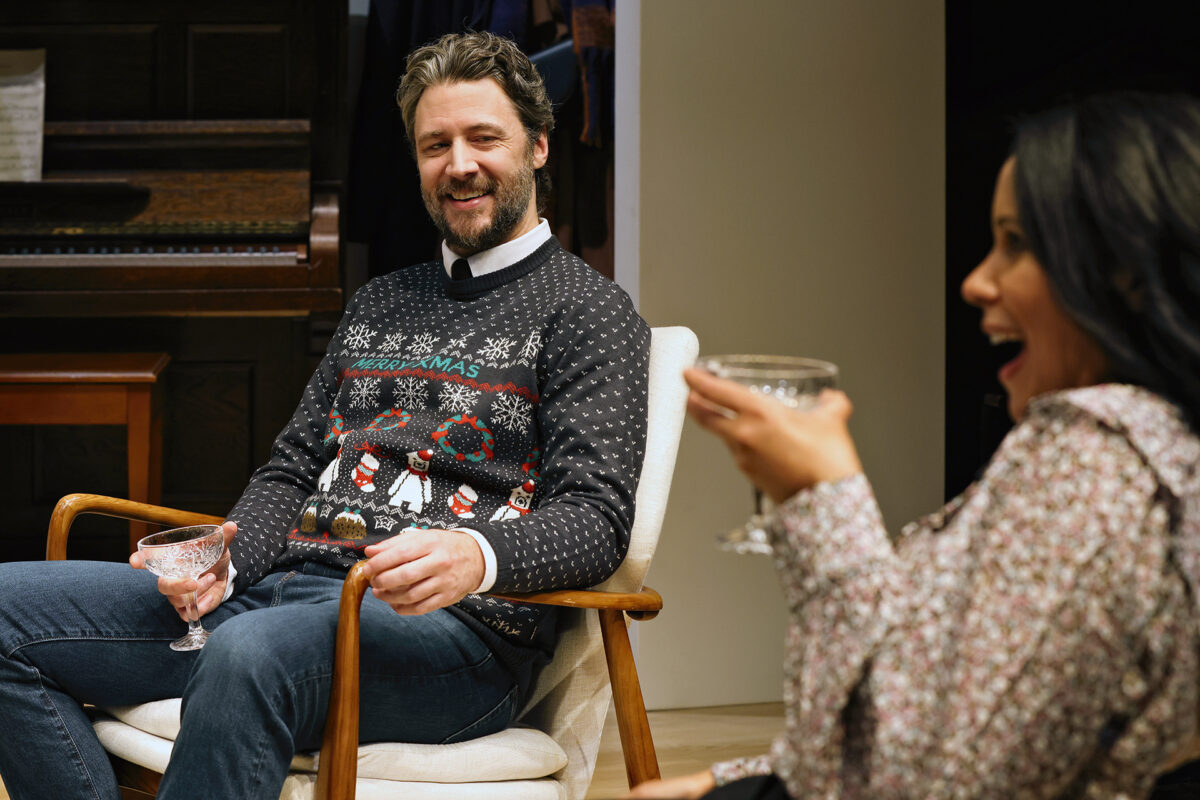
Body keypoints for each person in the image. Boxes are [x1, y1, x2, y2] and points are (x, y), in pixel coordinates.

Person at [0, 31, 649, 800]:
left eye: (484, 138)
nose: (460, 165)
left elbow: (597, 518)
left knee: (247, 653)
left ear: (539, 148)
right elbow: (293, 466)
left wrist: (477, 554)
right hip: (280, 596)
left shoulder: (589, 311)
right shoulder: (381, 299)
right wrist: (227, 563)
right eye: (435, 144)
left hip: (454, 642)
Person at [630, 91, 1200, 799]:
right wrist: (736, 775)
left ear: (1124, 275)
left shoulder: (1093, 463)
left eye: (1017, 244)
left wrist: (818, 496)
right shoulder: (1166, 448)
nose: (975, 282)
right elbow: (990, 736)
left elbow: (916, 779)